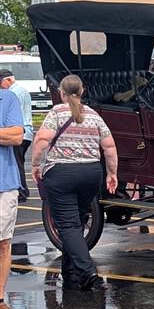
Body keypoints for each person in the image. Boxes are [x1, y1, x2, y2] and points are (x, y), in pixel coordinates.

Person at [31, 75, 119, 290]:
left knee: (68, 225)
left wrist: (35, 164)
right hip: (91, 173)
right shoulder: (93, 115)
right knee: (77, 222)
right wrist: (112, 173)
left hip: (62, 173)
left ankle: (87, 271)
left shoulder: (57, 113)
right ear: (83, 91)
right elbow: (109, 146)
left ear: (61, 92)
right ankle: (70, 272)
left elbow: (42, 140)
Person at [0, 81, 26, 309]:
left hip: (4, 182)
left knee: (3, 244)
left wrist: (7, 134)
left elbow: (17, 136)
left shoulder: (7, 99)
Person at [0, 69, 32, 201]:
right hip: (26, 132)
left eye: (2, 83)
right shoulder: (22, 90)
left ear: (8, 80)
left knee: (16, 163)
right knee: (18, 163)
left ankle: (21, 190)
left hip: (19, 132)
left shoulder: (12, 93)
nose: (2, 87)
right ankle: (23, 189)